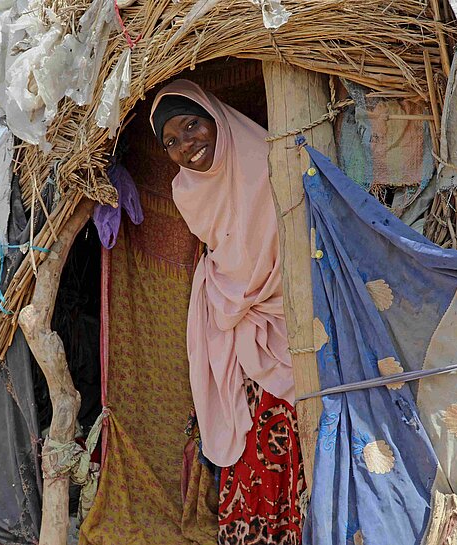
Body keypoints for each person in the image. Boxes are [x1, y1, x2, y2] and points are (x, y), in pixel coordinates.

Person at [150, 80, 305, 545]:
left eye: (192, 125)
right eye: (171, 141)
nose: (186, 147)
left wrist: (242, 292)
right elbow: (229, 251)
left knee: (299, 450)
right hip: (235, 335)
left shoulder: (267, 161)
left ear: (217, 119)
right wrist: (224, 292)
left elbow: (290, 245)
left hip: (290, 325)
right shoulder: (186, 191)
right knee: (247, 453)